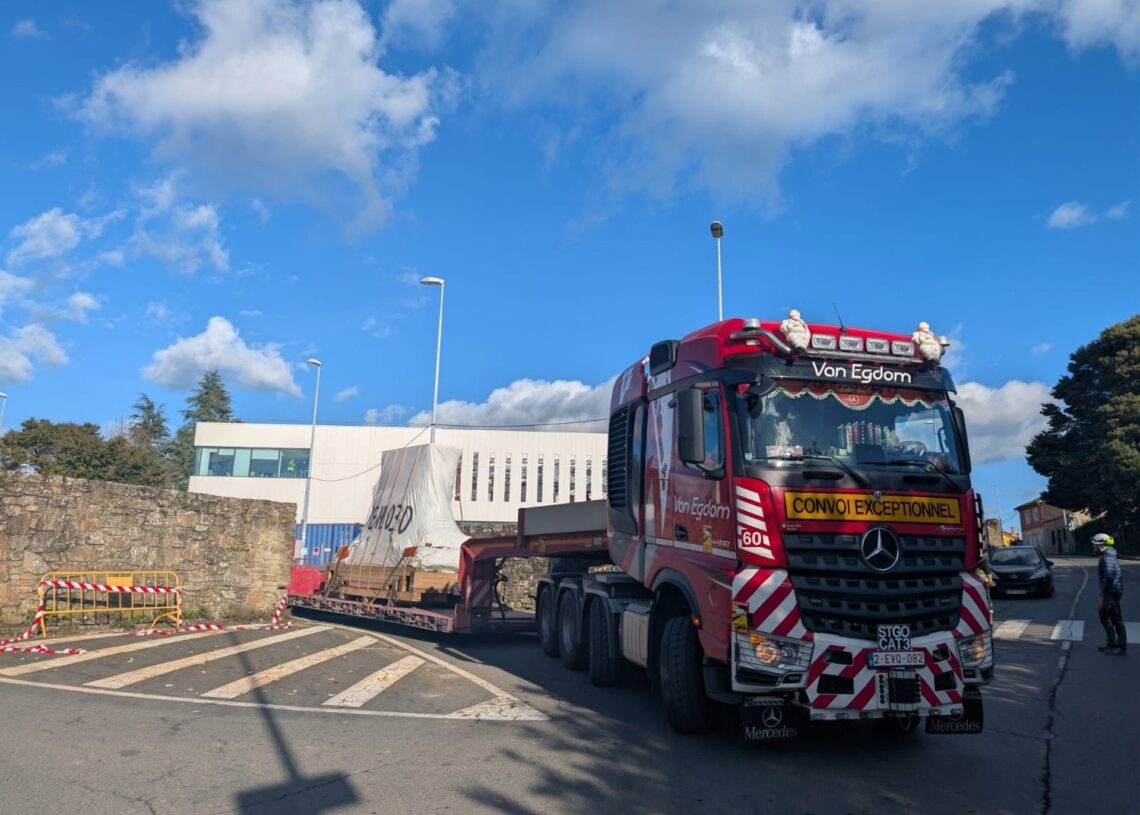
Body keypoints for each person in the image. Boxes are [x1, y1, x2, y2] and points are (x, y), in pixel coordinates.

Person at [1093, 533, 1126, 655]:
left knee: (1114, 619)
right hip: (1113, 590)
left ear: (1101, 545)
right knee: (1107, 617)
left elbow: (1110, 576)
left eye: (1095, 545)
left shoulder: (1106, 557)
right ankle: (1112, 644)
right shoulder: (1108, 554)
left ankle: (1120, 647)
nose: (1093, 548)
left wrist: (1103, 596)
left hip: (1111, 592)